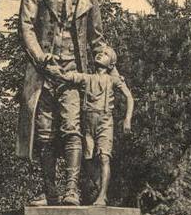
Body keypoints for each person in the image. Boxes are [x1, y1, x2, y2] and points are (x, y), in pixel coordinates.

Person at [17, 0, 107, 206]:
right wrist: (42, 59)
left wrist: (105, 64)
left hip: (74, 75)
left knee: (72, 128)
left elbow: (97, 39)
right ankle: (49, 190)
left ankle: (72, 190)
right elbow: (26, 28)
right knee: (44, 133)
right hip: (44, 73)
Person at [46, 45, 134, 206]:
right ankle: (98, 186)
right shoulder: (87, 78)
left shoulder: (113, 79)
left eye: (106, 54)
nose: (100, 55)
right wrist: (54, 70)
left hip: (105, 121)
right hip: (88, 123)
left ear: (111, 65)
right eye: (100, 52)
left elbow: (129, 97)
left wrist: (127, 119)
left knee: (104, 157)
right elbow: (67, 76)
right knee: (86, 158)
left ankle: (103, 196)